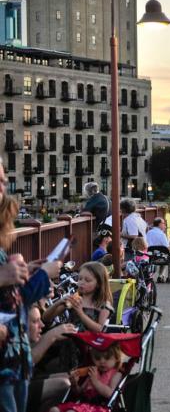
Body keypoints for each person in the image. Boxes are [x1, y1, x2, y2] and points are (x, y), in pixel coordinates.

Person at [0, 158, 63, 412]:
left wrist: (28, 274)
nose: (4, 186)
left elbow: (14, 301)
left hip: (14, 363)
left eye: (3, 180)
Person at [27, 305, 77, 412]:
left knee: (70, 377)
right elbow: (25, 364)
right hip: (12, 388)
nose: (42, 325)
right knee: (63, 384)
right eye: (35, 321)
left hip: (27, 379)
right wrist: (51, 336)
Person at [49, 342, 123, 412]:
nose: (102, 361)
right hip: (82, 405)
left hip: (98, 407)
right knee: (54, 410)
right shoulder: (93, 372)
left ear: (116, 358)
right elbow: (80, 392)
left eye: (107, 358)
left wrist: (95, 381)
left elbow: (110, 394)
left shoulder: (116, 374)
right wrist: (74, 384)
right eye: (97, 358)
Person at [43, 262, 114, 333]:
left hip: (90, 341)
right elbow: (46, 318)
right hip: (71, 340)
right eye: (80, 279)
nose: (82, 282)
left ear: (99, 283)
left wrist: (80, 312)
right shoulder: (75, 298)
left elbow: (100, 329)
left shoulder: (104, 305)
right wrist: (59, 302)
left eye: (87, 280)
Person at [146, 217, 170, 284]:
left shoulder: (148, 233)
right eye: (164, 224)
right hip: (162, 257)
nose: (165, 226)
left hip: (151, 256)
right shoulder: (162, 234)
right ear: (160, 224)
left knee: (163, 254)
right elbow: (168, 249)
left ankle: (161, 276)